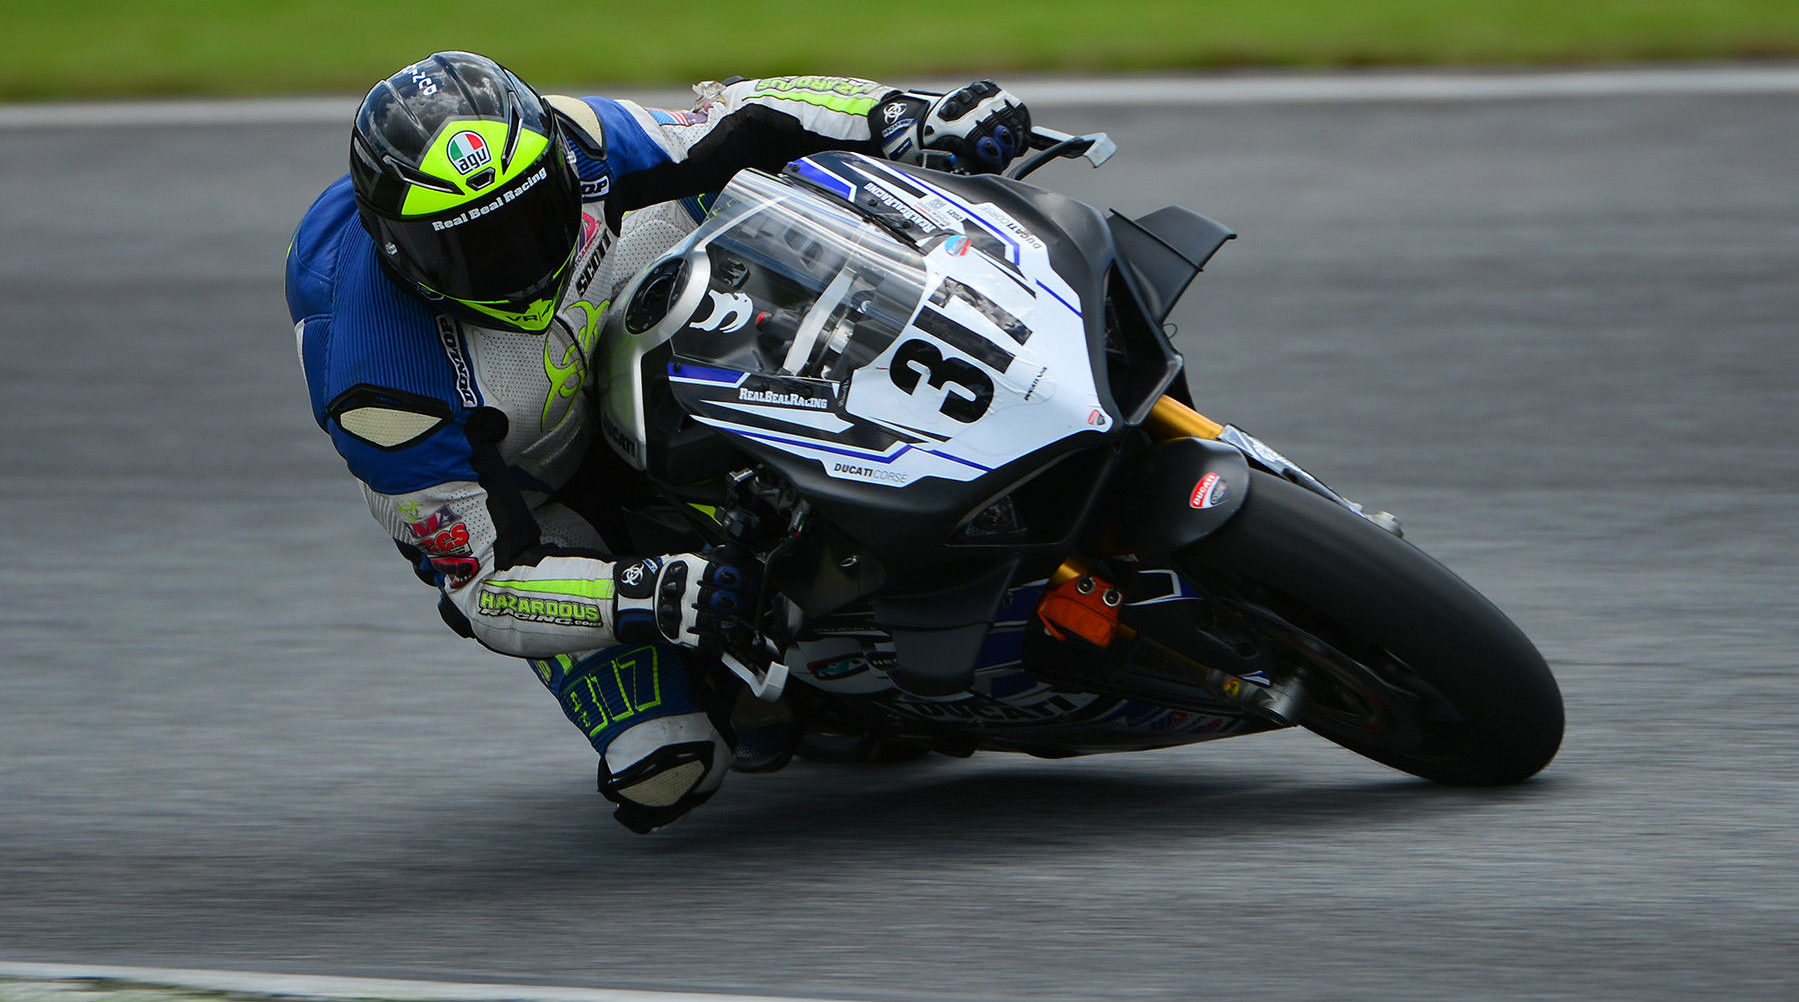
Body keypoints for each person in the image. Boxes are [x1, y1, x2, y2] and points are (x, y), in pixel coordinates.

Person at [285, 51, 1032, 833]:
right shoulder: (379, 386)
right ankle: (789, 698)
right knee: (666, 768)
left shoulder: (575, 140)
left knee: (750, 189)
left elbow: (743, 118)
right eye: (468, 250)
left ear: (555, 173)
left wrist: (906, 115)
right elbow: (487, 587)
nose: (516, 261)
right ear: (397, 248)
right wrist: (656, 592)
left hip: (630, 319)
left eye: (530, 217)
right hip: (541, 489)